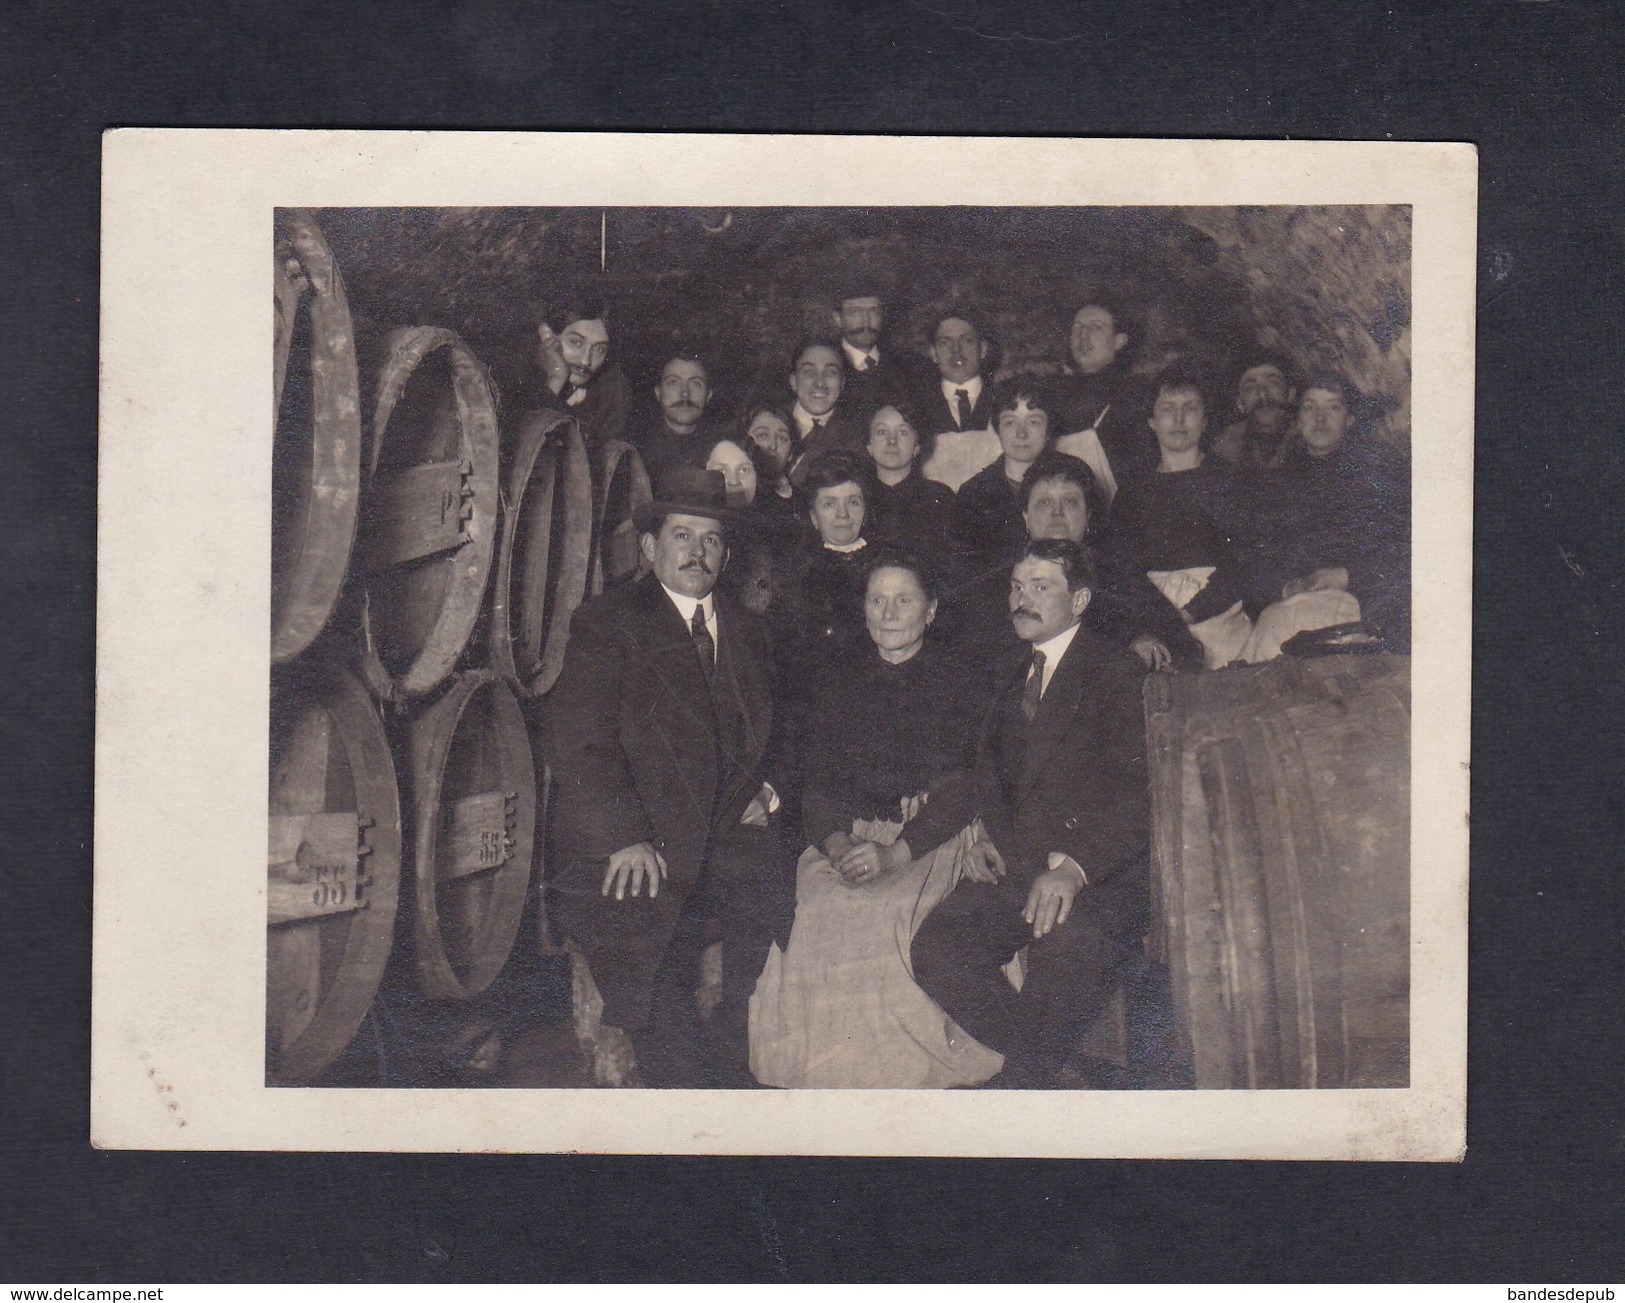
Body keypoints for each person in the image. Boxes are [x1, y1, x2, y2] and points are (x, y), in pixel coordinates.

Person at [542, 465, 793, 1089]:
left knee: (770, 927)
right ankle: (685, 1102)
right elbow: (580, 743)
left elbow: (782, 731)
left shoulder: (751, 632)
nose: (696, 552)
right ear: (652, 547)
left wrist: (767, 789)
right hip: (640, 841)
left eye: (710, 540)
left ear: (726, 554)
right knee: (655, 981)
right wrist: (624, 835)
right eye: (682, 536)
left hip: (728, 836)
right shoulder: (608, 623)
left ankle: (737, 1068)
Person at [750, 553, 1002, 1088]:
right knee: (823, 904)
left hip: (931, 835)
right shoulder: (836, 681)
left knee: (884, 911)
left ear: (930, 612)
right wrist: (838, 845)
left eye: (904, 600)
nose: (889, 613)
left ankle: (893, 1076)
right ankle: (835, 1073)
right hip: (849, 836)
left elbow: (967, 787)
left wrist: (895, 853)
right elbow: (815, 782)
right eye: (877, 600)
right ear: (862, 610)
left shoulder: (964, 681)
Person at [910, 539, 1151, 1089]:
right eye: (1017, 586)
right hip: (1019, 866)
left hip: (1097, 877)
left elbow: (1141, 795)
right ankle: (1049, 1069)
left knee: (1065, 950)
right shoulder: (1010, 669)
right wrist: (989, 837)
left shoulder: (1117, 671)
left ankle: (1025, 1084)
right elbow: (990, 776)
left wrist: (1076, 867)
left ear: (1081, 599)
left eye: (1042, 587)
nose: (1022, 599)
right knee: (938, 950)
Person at [1241, 372, 1411, 659]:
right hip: (1293, 602)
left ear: (1350, 418)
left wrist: (1348, 576)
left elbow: (1403, 554)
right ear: (1297, 419)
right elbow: (1257, 559)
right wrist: (1286, 587)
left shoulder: (1378, 474)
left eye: (1332, 407)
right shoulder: (1278, 482)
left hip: (1363, 603)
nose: (1320, 418)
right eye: (1310, 407)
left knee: (1278, 630)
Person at [1101, 370, 1258, 671]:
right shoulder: (1133, 492)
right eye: (1167, 410)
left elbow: (1244, 561)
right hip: (1155, 620)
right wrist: (1164, 619)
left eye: (1190, 409)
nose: (1179, 419)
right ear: (1151, 422)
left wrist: (1195, 610)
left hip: (1219, 618)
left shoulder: (1230, 482)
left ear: (1205, 420)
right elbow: (1121, 570)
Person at [1052, 299, 1157, 501]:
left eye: (1096, 328)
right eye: (1077, 328)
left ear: (1119, 341)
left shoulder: (1133, 393)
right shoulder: (1052, 391)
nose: (1083, 336)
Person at [953, 376, 1058, 573]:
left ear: (1049, 429)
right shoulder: (973, 494)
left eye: (1034, 422)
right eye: (1010, 423)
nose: (1021, 434)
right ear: (997, 428)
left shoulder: (1073, 483)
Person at [528, 297, 632, 458]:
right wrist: (556, 377)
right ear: (547, 334)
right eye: (576, 342)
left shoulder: (613, 389)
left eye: (599, 349)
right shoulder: (519, 377)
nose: (586, 360)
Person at [916, 309, 1002, 492]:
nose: (956, 350)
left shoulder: (1003, 402)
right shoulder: (917, 407)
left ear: (983, 349)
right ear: (933, 353)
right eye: (945, 342)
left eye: (967, 340)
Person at [861, 399, 955, 560]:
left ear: (917, 446)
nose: (892, 441)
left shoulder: (941, 498)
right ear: (869, 445)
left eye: (903, 432)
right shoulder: (855, 497)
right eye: (882, 432)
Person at [828, 281, 921, 419]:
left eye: (873, 311)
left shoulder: (909, 367)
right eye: (855, 312)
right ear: (838, 319)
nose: (866, 322)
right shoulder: (826, 365)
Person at [784, 339, 866, 484]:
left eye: (830, 373)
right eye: (809, 372)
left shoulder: (858, 438)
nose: (820, 382)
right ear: (793, 381)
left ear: (842, 383)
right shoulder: (762, 422)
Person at [633, 352, 723, 481]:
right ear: (658, 393)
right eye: (673, 382)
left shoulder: (723, 447)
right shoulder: (635, 449)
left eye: (696, 383)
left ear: (708, 395)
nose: (685, 393)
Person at [1209, 352, 1301, 472]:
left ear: (1290, 394)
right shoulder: (1225, 448)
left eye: (1274, 383)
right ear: (1240, 404)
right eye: (1250, 387)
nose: (1263, 394)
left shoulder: (1310, 439)